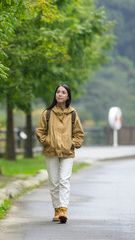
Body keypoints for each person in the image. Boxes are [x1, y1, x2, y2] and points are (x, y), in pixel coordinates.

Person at [36, 84, 84, 224]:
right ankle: (56, 210)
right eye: (58, 92)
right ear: (55, 95)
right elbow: (40, 131)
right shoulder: (47, 113)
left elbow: (79, 134)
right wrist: (47, 142)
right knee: (54, 181)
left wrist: (72, 144)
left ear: (68, 96)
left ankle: (64, 209)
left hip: (67, 152)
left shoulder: (73, 114)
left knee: (64, 180)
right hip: (51, 151)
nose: (60, 94)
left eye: (63, 92)